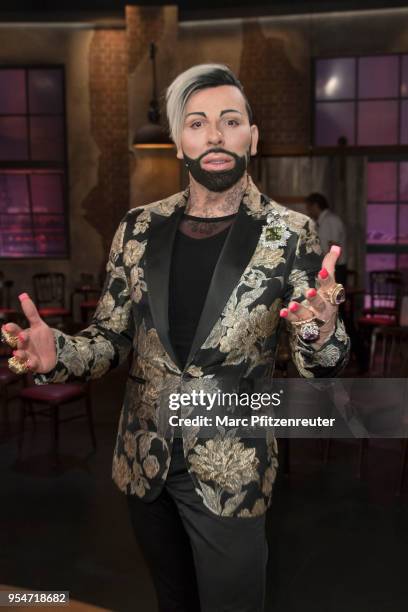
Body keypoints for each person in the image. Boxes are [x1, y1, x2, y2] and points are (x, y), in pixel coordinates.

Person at [1, 64, 350, 612]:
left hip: (232, 468)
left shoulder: (291, 233)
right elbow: (110, 339)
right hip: (146, 462)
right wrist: (58, 354)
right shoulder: (138, 227)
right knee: (173, 601)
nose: (214, 135)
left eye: (230, 121)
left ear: (252, 138)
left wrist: (320, 330)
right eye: (197, 123)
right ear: (179, 141)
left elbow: (323, 368)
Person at [305, 192, 347, 287]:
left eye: (309, 208)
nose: (308, 212)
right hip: (328, 267)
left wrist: (327, 267)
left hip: (334, 267)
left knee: (333, 298)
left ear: (315, 206)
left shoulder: (330, 220)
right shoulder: (321, 222)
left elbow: (334, 246)